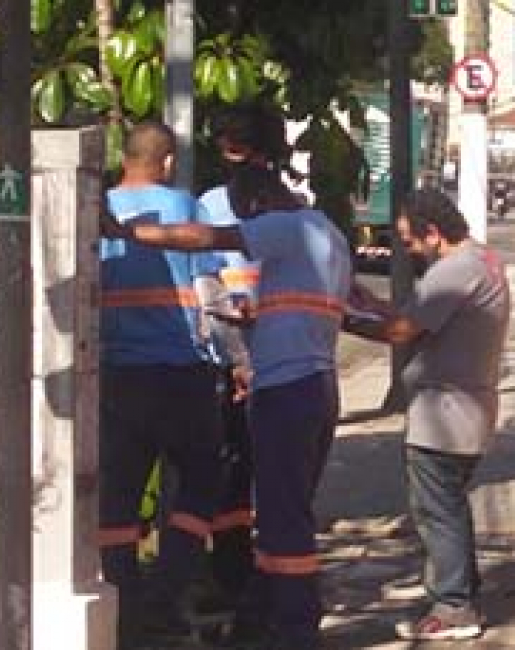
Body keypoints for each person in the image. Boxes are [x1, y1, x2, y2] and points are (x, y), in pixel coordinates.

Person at [102, 161, 353, 650]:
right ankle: (257, 616)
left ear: (258, 205)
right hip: (315, 383)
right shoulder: (330, 234)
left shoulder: (286, 227)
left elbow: (205, 238)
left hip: (286, 387)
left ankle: (296, 628)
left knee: (282, 519)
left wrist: (130, 232)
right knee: (283, 508)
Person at [344, 188, 511, 642]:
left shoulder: (455, 272)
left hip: (445, 416)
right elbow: (417, 316)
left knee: (437, 512)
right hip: (465, 409)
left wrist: (342, 319)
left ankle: (453, 606)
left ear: (433, 234)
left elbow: (401, 331)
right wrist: (370, 304)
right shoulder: (481, 261)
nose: (408, 250)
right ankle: (459, 589)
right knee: (449, 508)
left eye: (410, 241)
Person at [97, 119, 226, 646]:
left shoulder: (98, 209)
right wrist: (233, 360)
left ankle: (122, 598)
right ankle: (167, 591)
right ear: (168, 161)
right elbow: (213, 294)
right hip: (182, 372)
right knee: (200, 482)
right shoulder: (185, 210)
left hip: (116, 373)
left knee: (119, 496)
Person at [195, 102, 297, 614]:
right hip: (259, 364)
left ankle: (249, 579)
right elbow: (210, 293)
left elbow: (209, 291)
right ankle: (245, 576)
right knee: (250, 473)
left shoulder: (221, 206)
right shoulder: (286, 206)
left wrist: (240, 363)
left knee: (250, 471)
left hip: (259, 364)